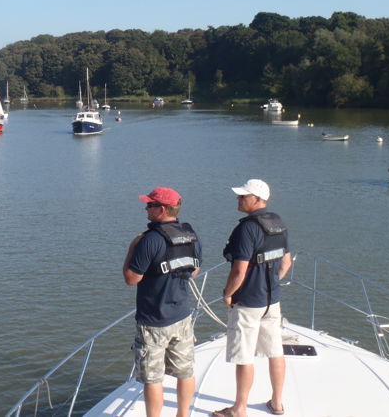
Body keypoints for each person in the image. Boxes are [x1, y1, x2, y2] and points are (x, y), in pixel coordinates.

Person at [214, 179, 292, 417]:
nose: (238, 199)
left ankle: (239, 409)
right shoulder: (277, 222)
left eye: (243, 196)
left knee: (244, 355)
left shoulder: (247, 228)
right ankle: (277, 402)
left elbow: (239, 270)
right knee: (275, 350)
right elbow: (286, 262)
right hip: (272, 300)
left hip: (248, 301)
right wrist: (272, 285)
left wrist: (227, 294)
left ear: (257, 199)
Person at [123, 186, 202, 417]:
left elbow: (131, 278)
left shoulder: (149, 240)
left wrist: (131, 248)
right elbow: (195, 271)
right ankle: (183, 414)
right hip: (182, 316)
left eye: (150, 205)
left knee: (153, 379)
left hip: (153, 320)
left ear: (163, 209)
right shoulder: (190, 235)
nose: (145, 208)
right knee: (185, 372)